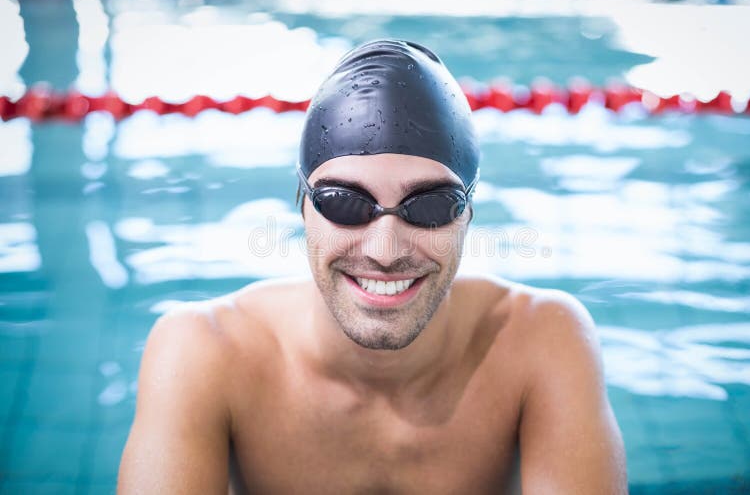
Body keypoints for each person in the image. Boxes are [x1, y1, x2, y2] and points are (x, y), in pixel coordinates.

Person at [118, 39, 627, 494]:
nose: (384, 249)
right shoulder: (204, 352)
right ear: (301, 206)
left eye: (429, 205)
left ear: (468, 214)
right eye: (345, 202)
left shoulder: (543, 341)